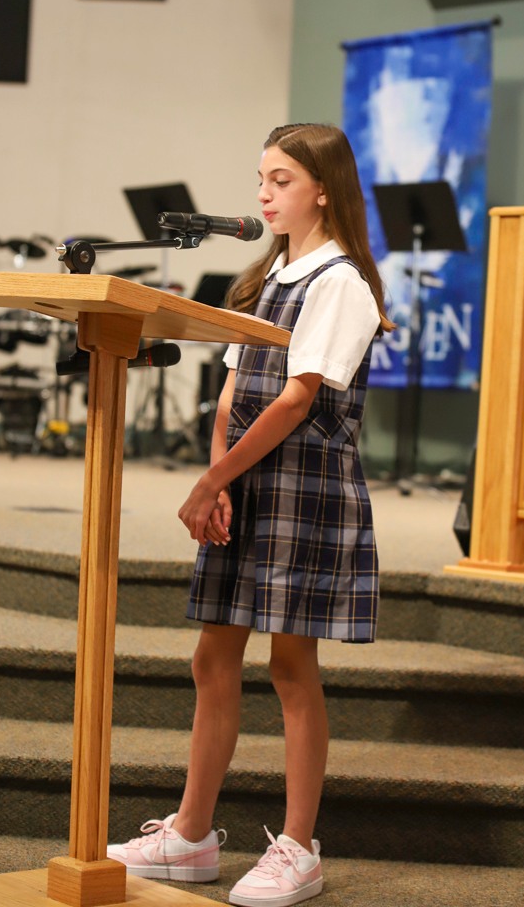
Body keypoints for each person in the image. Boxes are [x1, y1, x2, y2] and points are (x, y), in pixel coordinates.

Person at [107, 123, 393, 906]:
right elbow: (235, 390)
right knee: (211, 658)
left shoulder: (339, 282)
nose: (262, 194)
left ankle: (299, 847)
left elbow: (299, 399)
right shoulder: (273, 275)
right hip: (248, 480)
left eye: (279, 180)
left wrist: (210, 481)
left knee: (291, 667)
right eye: (260, 179)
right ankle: (192, 835)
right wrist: (219, 478)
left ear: (323, 189)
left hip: (303, 488)